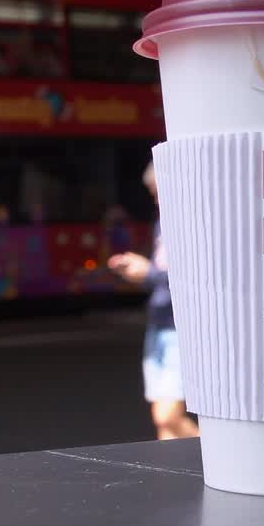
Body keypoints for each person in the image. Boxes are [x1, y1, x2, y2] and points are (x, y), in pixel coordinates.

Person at [106, 164, 196, 440]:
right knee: (165, 424)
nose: (156, 201)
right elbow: (163, 275)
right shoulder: (164, 222)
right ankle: (176, 477)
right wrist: (144, 274)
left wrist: (148, 272)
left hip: (179, 326)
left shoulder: (192, 221)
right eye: (153, 194)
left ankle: (227, 461)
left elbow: (191, 277)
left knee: (167, 416)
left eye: (159, 192)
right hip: (161, 323)